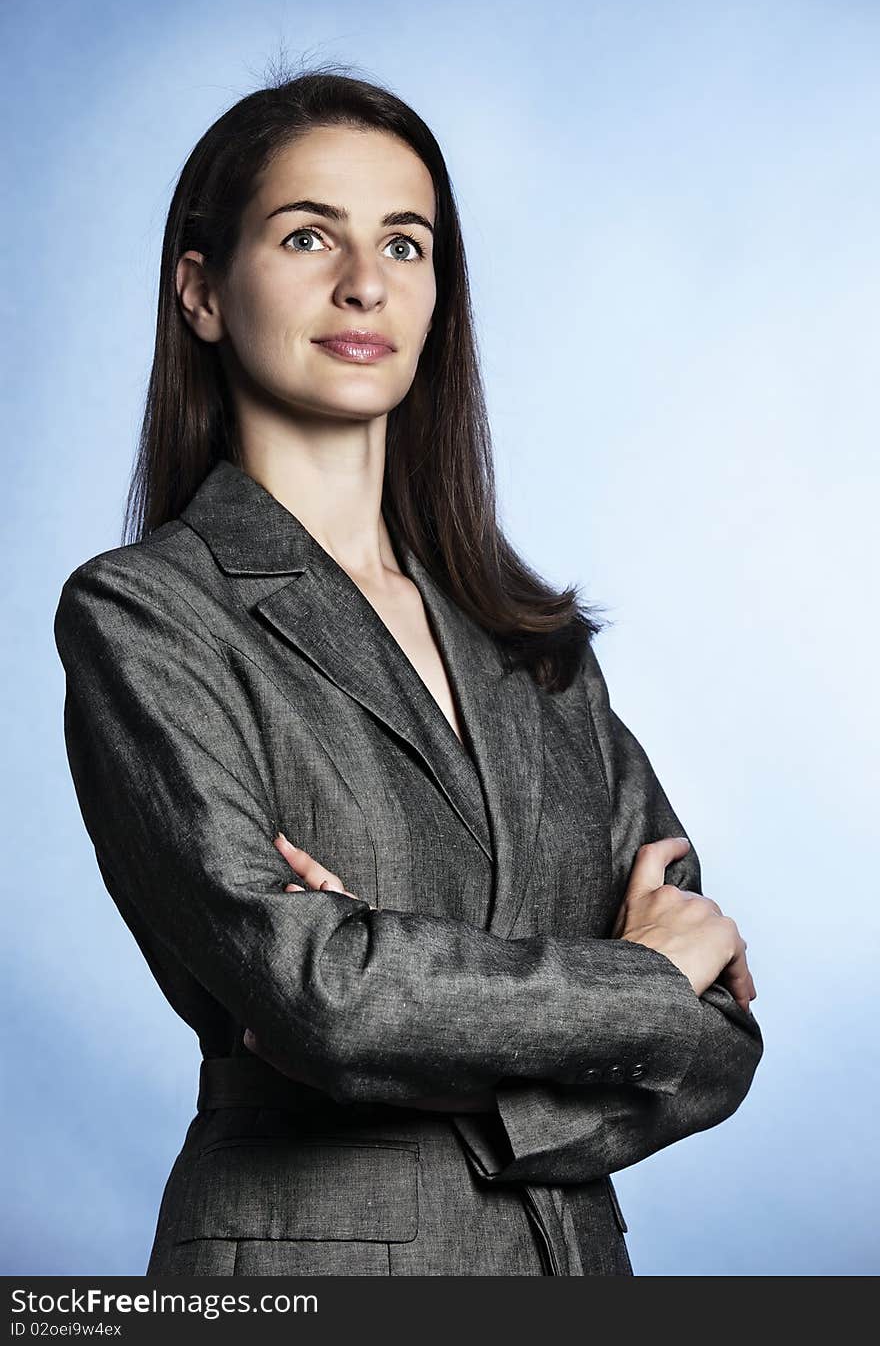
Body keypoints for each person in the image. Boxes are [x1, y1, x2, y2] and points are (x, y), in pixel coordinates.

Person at [53, 66, 763, 1277]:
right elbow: (326, 998)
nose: (364, 281)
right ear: (202, 292)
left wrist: (401, 1019)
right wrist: (638, 976)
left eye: (405, 241)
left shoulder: (533, 642)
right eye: (306, 234)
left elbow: (716, 1037)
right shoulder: (145, 613)